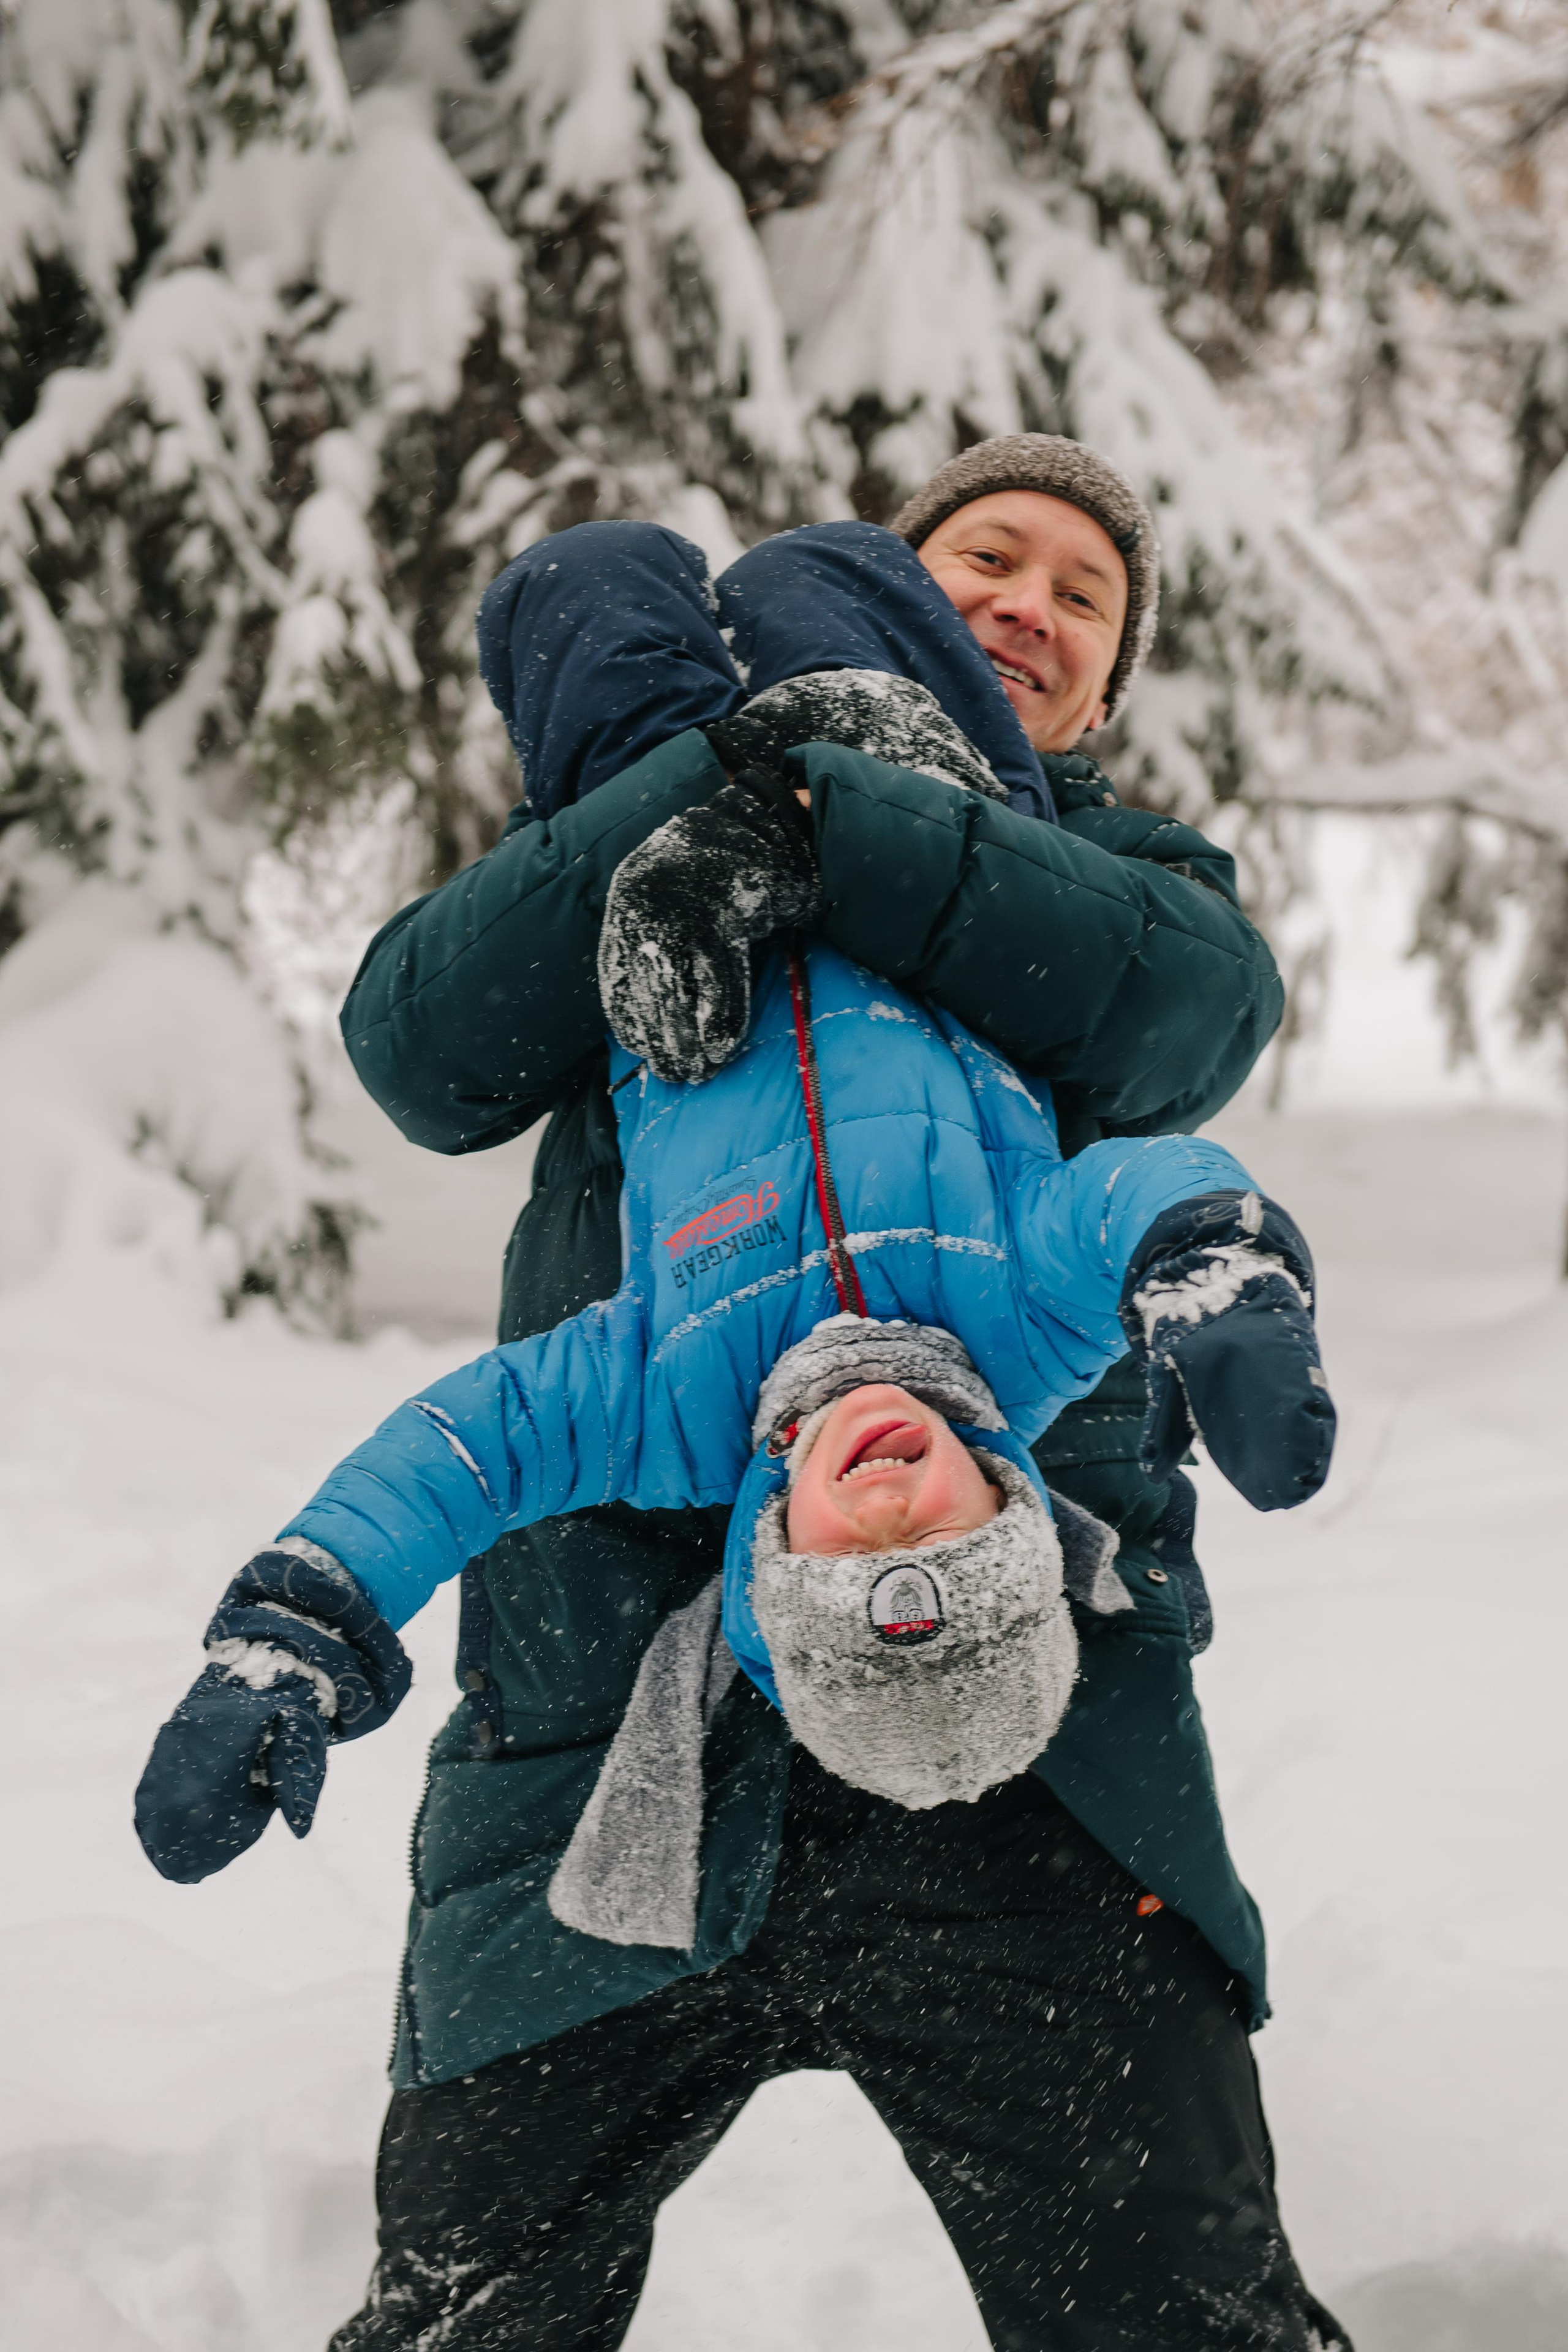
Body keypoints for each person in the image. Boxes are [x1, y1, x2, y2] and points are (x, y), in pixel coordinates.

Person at [163, 432, 1351, 2347]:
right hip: (597, 1734)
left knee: (1176, 2310)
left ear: (1104, 688)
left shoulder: (1125, 873)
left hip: (1034, 1738)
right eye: (990, 554)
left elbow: (1187, 1023)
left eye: (1081, 597)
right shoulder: (641, 831)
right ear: (909, 582)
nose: (1028, 604)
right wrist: (712, 790)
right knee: (478, 2309)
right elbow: (421, 1044)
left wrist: (830, 828)